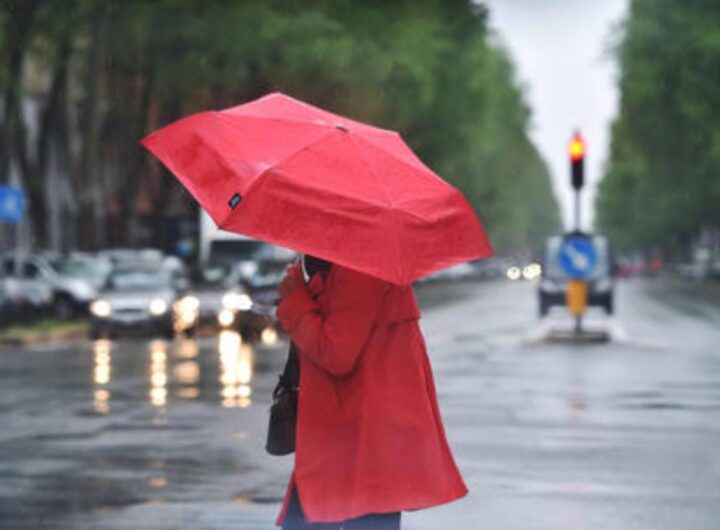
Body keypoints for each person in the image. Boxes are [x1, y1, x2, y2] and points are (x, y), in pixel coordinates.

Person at [275, 255, 467, 529]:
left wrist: (295, 297)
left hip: (361, 440)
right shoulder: (347, 261)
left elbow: (335, 353)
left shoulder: (361, 266)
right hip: (353, 437)